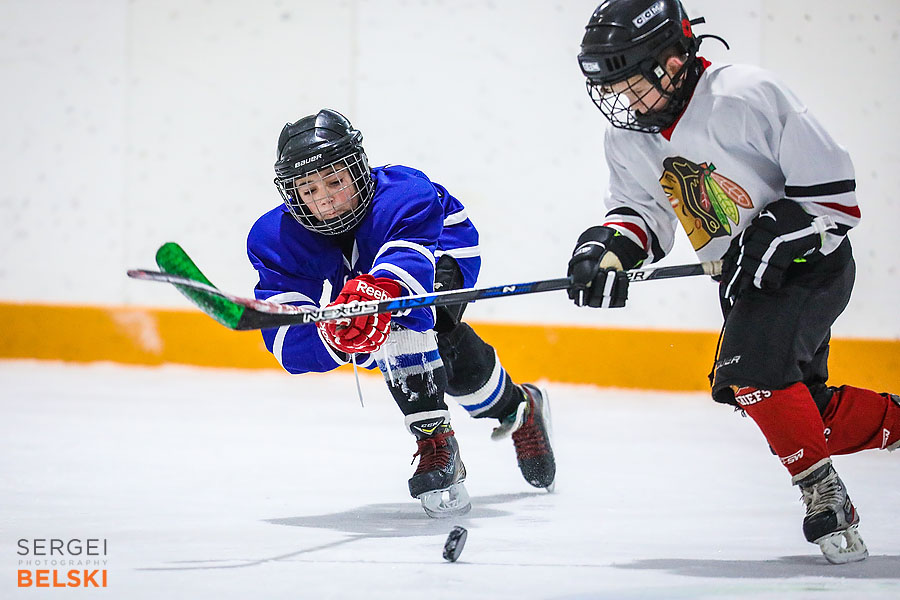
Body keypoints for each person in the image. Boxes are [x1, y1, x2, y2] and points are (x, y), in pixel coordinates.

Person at [568, 0, 899, 563]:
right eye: (614, 88)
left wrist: (768, 238)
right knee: (801, 407)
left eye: (631, 83)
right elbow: (641, 213)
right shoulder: (627, 138)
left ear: (672, 61)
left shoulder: (745, 95)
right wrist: (607, 250)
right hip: (745, 283)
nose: (623, 100)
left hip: (809, 266)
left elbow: (835, 197)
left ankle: (824, 497)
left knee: (752, 374)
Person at [246, 108, 556, 517]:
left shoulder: (404, 193)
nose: (324, 198)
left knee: (411, 321)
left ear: (358, 170)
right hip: (365, 279)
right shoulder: (276, 237)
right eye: (308, 189)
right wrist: (334, 337)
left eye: (335, 181)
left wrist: (375, 297)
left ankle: (436, 442)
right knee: (415, 341)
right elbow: (289, 336)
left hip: (442, 250)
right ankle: (518, 407)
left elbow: (405, 263)